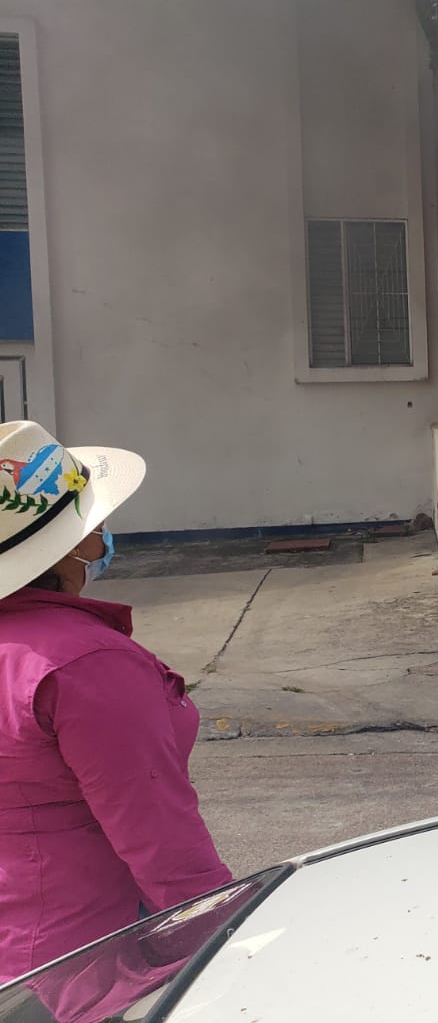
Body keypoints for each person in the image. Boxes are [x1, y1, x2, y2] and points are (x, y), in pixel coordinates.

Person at [0, 420, 232, 981]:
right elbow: (164, 847)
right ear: (78, 542)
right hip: (81, 966)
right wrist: (233, 946)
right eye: (98, 517)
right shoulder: (86, 664)